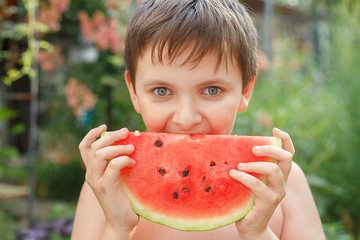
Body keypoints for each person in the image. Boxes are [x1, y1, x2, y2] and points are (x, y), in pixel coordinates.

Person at [71, 0, 326, 239]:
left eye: (212, 90)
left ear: (245, 91)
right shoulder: (107, 185)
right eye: (162, 91)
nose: (186, 118)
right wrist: (116, 228)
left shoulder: (285, 183)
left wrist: (259, 234)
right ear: (134, 92)